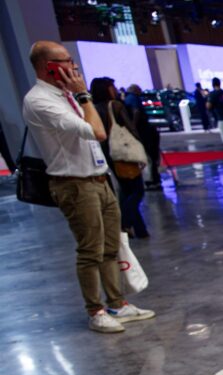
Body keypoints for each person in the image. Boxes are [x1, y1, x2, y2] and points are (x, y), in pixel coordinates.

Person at [21, 41, 154, 333]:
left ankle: (117, 304)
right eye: (66, 61)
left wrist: (79, 97)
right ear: (49, 66)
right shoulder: (40, 100)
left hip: (99, 178)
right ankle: (95, 311)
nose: (74, 67)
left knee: (110, 246)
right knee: (90, 250)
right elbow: (97, 132)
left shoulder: (66, 97)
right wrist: (83, 95)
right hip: (74, 185)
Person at [91, 76, 149, 240]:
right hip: (123, 152)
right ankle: (123, 222)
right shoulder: (115, 105)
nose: (115, 89)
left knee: (126, 190)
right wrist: (140, 148)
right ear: (107, 89)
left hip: (107, 153)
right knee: (137, 191)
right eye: (112, 87)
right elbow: (130, 128)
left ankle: (140, 230)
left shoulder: (93, 109)